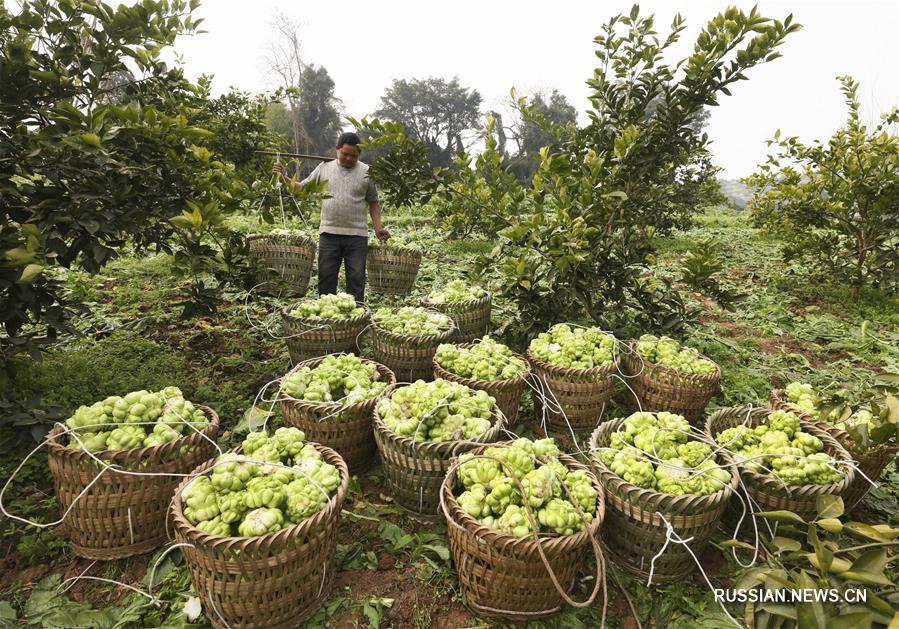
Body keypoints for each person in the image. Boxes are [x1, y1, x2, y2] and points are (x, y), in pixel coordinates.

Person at [273, 132, 389, 303]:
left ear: (359, 155)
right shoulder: (324, 168)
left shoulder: (366, 172)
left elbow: (373, 202)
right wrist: (283, 177)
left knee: (356, 280)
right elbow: (302, 188)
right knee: (326, 278)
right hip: (329, 234)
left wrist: (378, 228)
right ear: (337, 150)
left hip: (357, 236)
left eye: (354, 156)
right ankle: (327, 319)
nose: (349, 158)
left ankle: (356, 317)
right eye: (345, 154)